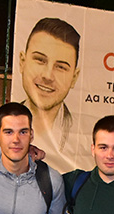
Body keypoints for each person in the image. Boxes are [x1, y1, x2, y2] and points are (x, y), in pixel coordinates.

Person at [19, 17, 80, 157]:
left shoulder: (83, 133)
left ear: (74, 77)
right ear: (22, 62)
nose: (48, 76)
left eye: (61, 67)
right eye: (40, 60)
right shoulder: (7, 124)